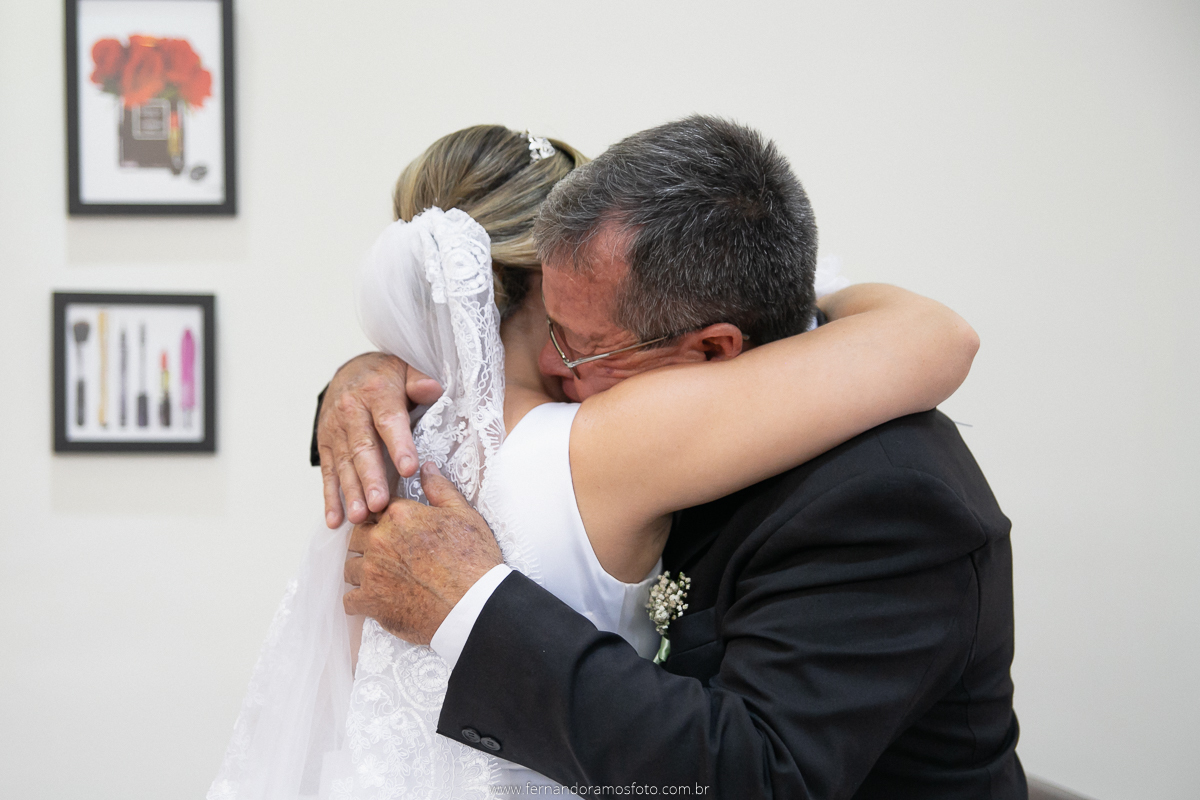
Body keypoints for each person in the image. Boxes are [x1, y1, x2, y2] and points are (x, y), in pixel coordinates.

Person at [322, 117, 1025, 798]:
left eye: (577, 344)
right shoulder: (679, 389)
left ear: (714, 349)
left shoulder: (886, 494)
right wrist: (370, 372)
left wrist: (471, 606)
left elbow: (755, 779)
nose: (548, 366)